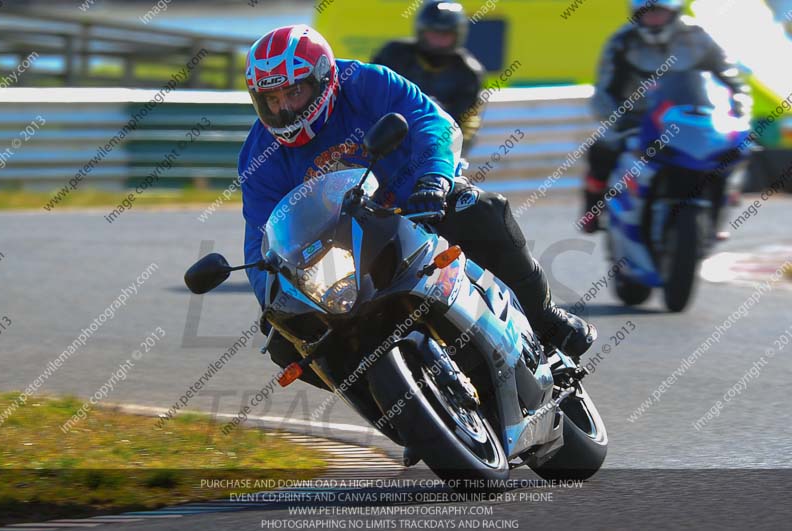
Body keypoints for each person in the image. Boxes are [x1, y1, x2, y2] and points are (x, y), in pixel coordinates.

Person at [239, 24, 595, 391]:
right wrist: (270, 296)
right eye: (272, 99)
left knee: (482, 209)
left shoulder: (365, 83)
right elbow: (260, 237)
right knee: (289, 344)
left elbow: (432, 122)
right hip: (345, 251)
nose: (283, 109)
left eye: (293, 92)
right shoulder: (259, 157)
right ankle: (395, 416)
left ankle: (546, 320)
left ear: (323, 78)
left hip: (420, 206)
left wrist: (434, 179)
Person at [580, 0, 751, 233]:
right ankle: (592, 208)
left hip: (694, 118)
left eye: (659, 13)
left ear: (674, 13)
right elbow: (603, 90)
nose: (653, 19)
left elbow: (733, 83)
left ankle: (721, 206)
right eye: (646, 13)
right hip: (637, 120)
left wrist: (739, 113)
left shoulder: (701, 36)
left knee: (735, 149)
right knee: (602, 149)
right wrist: (616, 118)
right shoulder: (621, 42)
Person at [372, 1, 485, 149]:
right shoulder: (394, 54)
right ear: (421, 31)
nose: (438, 40)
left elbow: (464, 125)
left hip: (436, 145)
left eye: (445, 35)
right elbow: (370, 95)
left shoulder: (469, 72)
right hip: (382, 139)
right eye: (434, 34)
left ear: (458, 35)